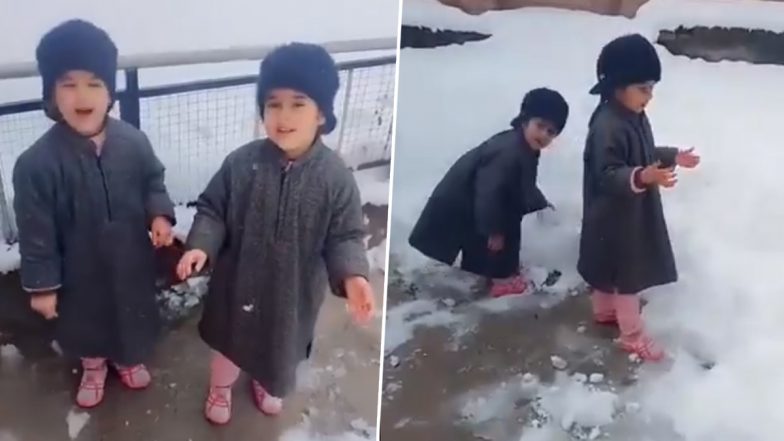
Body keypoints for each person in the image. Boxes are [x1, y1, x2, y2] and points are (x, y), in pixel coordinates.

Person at [176, 42, 376, 425]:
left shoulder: (335, 177)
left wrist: (353, 276)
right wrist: (201, 245)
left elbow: (345, 235)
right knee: (229, 347)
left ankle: (268, 383)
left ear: (321, 114)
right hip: (238, 286)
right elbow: (213, 209)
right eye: (273, 103)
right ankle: (221, 387)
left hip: (292, 293)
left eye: (298, 103)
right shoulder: (242, 163)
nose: (283, 116)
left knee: (278, 350)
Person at [13, 19, 176, 408]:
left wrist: (159, 216)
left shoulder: (133, 142)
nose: (81, 94)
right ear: (52, 94)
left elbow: (153, 181)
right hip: (78, 271)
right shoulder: (36, 164)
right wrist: (43, 285)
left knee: (131, 315)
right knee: (86, 323)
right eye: (68, 83)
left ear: (109, 92)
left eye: (94, 82)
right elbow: (36, 232)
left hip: (129, 261)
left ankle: (127, 358)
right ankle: (93, 366)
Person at [578, 34, 701, 361]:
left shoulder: (631, 116)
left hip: (620, 213)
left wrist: (673, 155)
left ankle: (605, 312)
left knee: (607, 268)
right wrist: (643, 176)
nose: (650, 96)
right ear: (618, 86)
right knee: (626, 275)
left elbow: (642, 152)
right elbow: (606, 174)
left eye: (652, 88)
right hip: (615, 215)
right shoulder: (608, 125)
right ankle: (631, 335)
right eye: (643, 88)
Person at [408, 88, 569, 297]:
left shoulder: (524, 146)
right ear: (525, 120)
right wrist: (493, 230)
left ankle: (498, 272)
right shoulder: (509, 151)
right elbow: (489, 192)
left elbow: (521, 186)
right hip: (465, 205)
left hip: (475, 205)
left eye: (551, 132)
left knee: (506, 223)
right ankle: (502, 280)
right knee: (499, 236)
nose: (544, 135)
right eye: (540, 126)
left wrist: (539, 202)